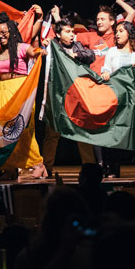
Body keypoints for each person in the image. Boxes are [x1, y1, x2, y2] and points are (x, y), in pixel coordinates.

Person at [75, 0, 135, 169]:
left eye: (103, 19)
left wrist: (119, 2)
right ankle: (101, 163)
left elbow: (131, 13)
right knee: (97, 126)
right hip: (95, 87)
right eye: (97, 19)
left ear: (112, 22)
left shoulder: (118, 34)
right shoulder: (91, 36)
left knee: (112, 126)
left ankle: (113, 164)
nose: (99, 21)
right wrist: (56, 19)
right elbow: (69, 36)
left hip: (114, 86)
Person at [0, 12, 46, 179]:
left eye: (4, 32)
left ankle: (38, 164)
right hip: (2, 92)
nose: (1, 36)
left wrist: (41, 51)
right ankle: (10, 168)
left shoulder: (21, 47)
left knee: (22, 130)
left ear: (11, 32)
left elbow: (33, 52)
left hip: (20, 91)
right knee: (3, 132)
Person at [41, 10, 97, 175]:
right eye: (67, 31)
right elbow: (40, 52)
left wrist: (77, 54)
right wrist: (44, 46)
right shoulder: (52, 45)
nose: (72, 34)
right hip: (56, 96)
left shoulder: (76, 45)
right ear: (58, 34)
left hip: (75, 96)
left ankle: (89, 167)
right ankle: (47, 167)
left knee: (82, 132)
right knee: (52, 134)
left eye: (72, 31)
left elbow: (91, 55)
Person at [101, 20, 135, 178]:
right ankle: (113, 167)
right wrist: (105, 73)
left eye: (121, 31)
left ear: (129, 33)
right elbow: (106, 69)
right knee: (115, 130)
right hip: (119, 98)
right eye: (116, 31)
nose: (117, 34)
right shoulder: (112, 52)